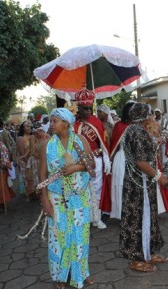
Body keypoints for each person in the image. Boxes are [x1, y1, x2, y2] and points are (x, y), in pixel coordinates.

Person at [39, 108, 95, 289]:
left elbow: (91, 164)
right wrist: (44, 200)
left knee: (80, 237)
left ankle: (81, 274)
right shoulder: (47, 145)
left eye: (55, 121)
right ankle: (60, 277)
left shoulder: (81, 140)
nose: (52, 124)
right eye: (52, 121)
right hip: (56, 198)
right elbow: (42, 174)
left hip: (79, 198)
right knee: (58, 237)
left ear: (66, 124)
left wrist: (76, 168)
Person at [120, 102, 168, 272]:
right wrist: (159, 177)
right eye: (150, 115)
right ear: (144, 117)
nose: (152, 118)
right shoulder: (138, 132)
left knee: (149, 217)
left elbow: (140, 152)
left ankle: (150, 252)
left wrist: (155, 141)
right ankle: (136, 259)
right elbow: (141, 162)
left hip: (142, 182)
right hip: (138, 184)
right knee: (136, 219)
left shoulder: (134, 130)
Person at [74, 87, 111, 229]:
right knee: (81, 188)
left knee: (97, 189)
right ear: (79, 107)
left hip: (96, 159)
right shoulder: (72, 123)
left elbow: (103, 141)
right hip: (78, 161)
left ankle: (96, 217)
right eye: (85, 108)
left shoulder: (96, 121)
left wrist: (107, 158)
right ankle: (84, 218)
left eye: (90, 108)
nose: (88, 111)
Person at [109, 101, 135, 219]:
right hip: (122, 158)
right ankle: (122, 212)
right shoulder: (119, 125)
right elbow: (114, 144)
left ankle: (136, 211)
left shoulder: (139, 125)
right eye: (131, 111)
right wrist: (109, 161)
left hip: (136, 159)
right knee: (121, 185)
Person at [16, 120, 34, 198]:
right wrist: (27, 163)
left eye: (30, 126)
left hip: (33, 162)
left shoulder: (33, 137)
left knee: (33, 178)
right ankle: (28, 195)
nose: (29, 128)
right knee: (26, 178)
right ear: (23, 128)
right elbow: (22, 153)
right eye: (27, 126)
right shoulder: (20, 138)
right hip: (25, 162)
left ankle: (34, 193)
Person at [0, 141, 15, 209]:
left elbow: (5, 154)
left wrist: (4, 163)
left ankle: (2, 203)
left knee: (1, 187)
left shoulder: (1, 144)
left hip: (1, 168)